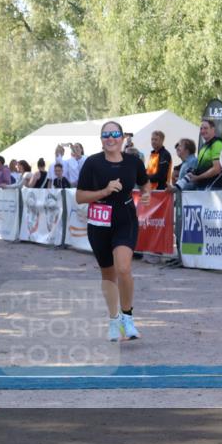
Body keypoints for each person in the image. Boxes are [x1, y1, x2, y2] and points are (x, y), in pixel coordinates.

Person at [75, 120, 151, 342]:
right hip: (99, 223)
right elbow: (80, 197)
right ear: (101, 139)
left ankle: (128, 318)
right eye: (106, 135)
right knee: (108, 274)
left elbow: (145, 183)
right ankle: (114, 320)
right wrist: (104, 191)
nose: (111, 138)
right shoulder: (92, 163)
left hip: (125, 219)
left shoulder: (133, 162)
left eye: (115, 134)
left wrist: (146, 194)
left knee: (124, 268)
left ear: (122, 138)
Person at [186, 119, 222, 189]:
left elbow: (217, 169)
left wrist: (198, 177)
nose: (202, 131)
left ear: (213, 129)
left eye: (205, 128)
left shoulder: (217, 143)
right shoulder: (204, 146)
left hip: (213, 187)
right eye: (201, 129)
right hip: (203, 186)